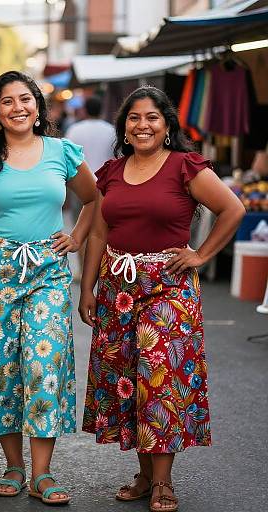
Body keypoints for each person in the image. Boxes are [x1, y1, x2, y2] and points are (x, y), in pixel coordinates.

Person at [79, 86, 245, 512]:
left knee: (159, 381)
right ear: (124, 127)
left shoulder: (185, 166)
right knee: (130, 382)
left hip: (168, 287)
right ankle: (143, 474)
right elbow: (98, 231)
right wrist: (87, 289)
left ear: (167, 124)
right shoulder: (112, 172)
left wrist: (201, 253)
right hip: (117, 287)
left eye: (152, 117)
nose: (143, 125)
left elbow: (233, 209)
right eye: (134, 118)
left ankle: (164, 482)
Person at [0, 70, 96, 505]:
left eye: (25, 99)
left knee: (43, 364)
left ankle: (43, 474)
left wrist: (78, 237)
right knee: (1, 371)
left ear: (38, 107)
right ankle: (14, 466)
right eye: (7, 101)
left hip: (48, 271)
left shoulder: (62, 152)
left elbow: (95, 199)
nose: (18, 107)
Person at [65, 95, 115, 278]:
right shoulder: (111, 130)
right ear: (101, 109)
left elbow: (68, 160)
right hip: (107, 186)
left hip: (80, 184)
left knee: (81, 228)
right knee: (103, 229)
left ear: (85, 109)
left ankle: (82, 268)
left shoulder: (74, 129)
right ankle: (100, 268)